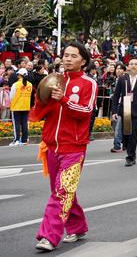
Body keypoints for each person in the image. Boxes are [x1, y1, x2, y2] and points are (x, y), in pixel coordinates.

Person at [30, 42, 97, 251]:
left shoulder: (89, 83)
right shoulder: (54, 81)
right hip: (51, 146)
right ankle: (77, 227)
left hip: (74, 148)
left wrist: (64, 99)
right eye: (65, 55)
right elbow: (38, 114)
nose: (67, 59)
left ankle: (49, 236)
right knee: (64, 191)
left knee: (62, 191)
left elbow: (86, 111)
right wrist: (42, 98)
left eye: (73, 56)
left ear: (83, 61)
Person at [111, 58, 137, 167]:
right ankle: (127, 147)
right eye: (131, 64)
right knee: (125, 133)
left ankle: (131, 156)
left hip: (136, 109)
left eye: (136, 64)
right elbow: (116, 96)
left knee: (133, 133)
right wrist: (114, 111)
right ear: (128, 66)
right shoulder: (123, 79)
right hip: (125, 108)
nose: (133, 66)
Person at [9, 68, 32, 146]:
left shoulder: (15, 84)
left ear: (19, 75)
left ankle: (16, 140)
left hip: (16, 106)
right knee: (24, 123)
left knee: (16, 124)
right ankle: (24, 140)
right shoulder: (30, 84)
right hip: (26, 106)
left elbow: (11, 97)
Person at [109, 63, 127, 153]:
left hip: (124, 105)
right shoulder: (114, 79)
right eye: (117, 69)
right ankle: (122, 144)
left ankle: (117, 145)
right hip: (115, 104)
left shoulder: (126, 80)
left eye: (120, 69)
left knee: (119, 126)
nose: (118, 70)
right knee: (115, 124)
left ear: (124, 70)